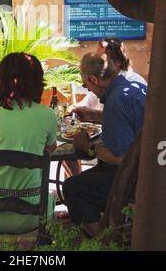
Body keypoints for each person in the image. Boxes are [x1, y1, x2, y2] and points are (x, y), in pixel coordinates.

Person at [0, 52, 58, 233]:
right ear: (37, 81)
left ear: (0, 79)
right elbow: (48, 152)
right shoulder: (48, 115)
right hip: (34, 214)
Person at [62, 53, 146, 237]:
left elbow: (122, 158)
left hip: (136, 178)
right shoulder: (133, 88)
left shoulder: (116, 101)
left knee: (72, 188)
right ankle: (113, 225)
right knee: (94, 175)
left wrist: (88, 147)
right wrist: (94, 115)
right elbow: (127, 119)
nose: (88, 89)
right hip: (150, 167)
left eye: (86, 85)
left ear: (93, 79)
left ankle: (103, 239)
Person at [69, 38, 147, 123]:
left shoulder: (131, 85)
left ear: (118, 61)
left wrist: (94, 115)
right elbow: (88, 102)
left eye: (103, 59)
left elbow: (123, 119)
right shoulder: (101, 84)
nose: (97, 63)